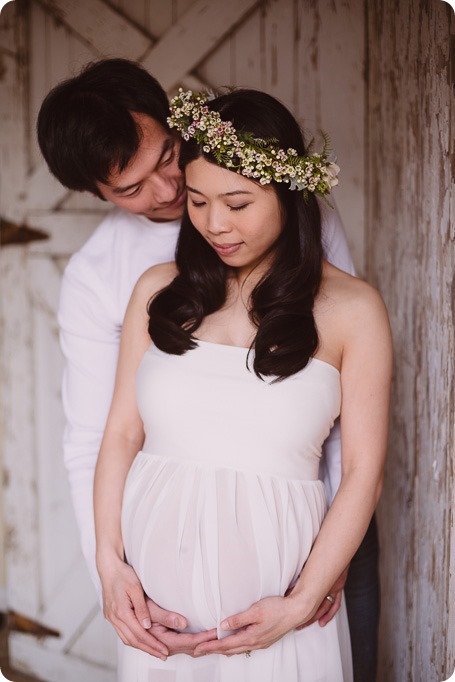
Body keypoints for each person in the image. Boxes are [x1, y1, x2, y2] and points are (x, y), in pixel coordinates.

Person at [37, 59, 379, 677]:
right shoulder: (105, 278)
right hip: (166, 584)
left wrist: (324, 563)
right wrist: (111, 574)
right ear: (97, 195)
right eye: (132, 188)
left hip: (308, 546)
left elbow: (334, 396)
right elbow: (100, 435)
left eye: (167, 156)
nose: (170, 194)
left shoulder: (315, 244)